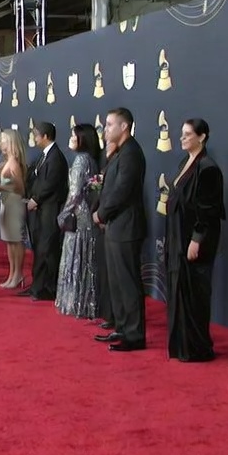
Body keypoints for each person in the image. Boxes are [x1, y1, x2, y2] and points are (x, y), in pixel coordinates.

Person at [164, 119, 225, 362]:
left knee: (194, 293)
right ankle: (182, 345)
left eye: (188, 134)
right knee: (180, 290)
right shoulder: (185, 162)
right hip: (178, 236)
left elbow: (209, 210)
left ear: (202, 137)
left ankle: (197, 347)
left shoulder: (208, 168)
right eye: (182, 133)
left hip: (194, 240)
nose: (182, 138)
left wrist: (196, 239)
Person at [94, 108, 148, 351]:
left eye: (109, 124)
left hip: (127, 227)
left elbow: (122, 190)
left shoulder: (131, 153)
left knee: (128, 282)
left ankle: (134, 335)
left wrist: (101, 214)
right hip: (116, 226)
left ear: (124, 126)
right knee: (116, 281)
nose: (105, 129)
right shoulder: (120, 152)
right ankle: (123, 328)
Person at [56, 123, 105, 320]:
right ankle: (87, 303)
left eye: (73, 135)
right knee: (86, 258)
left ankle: (74, 302)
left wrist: (63, 214)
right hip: (88, 213)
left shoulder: (80, 160)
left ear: (82, 139)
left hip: (78, 215)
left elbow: (75, 193)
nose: (70, 138)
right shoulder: (91, 159)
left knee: (75, 256)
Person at [22, 121, 69, 301]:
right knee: (40, 248)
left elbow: (51, 183)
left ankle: (47, 288)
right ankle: (37, 286)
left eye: (36, 135)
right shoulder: (44, 156)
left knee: (47, 249)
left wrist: (36, 200)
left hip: (50, 210)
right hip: (41, 210)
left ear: (45, 136)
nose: (34, 138)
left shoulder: (56, 157)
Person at [0, 129, 27, 288]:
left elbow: (21, 188)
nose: (1, 143)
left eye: (4, 140)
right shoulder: (7, 161)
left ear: (11, 142)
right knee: (9, 241)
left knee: (16, 241)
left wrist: (2, 187)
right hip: (6, 203)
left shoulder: (14, 163)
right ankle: (12, 274)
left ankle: (18, 274)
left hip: (14, 204)